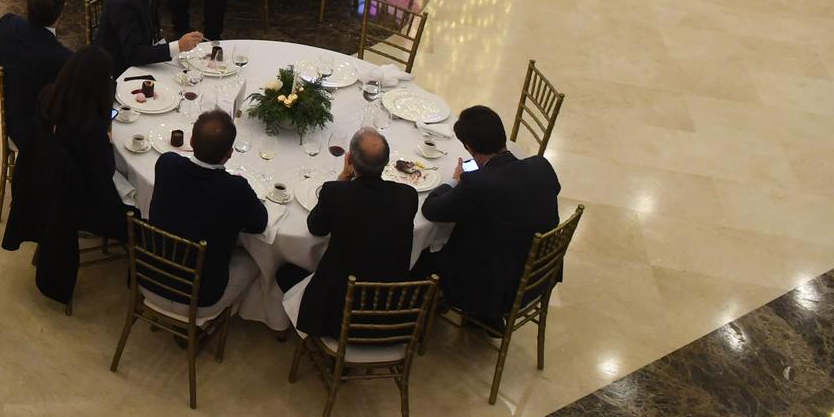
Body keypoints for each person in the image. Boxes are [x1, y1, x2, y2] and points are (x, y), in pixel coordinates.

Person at [3, 47, 130, 303]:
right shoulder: (91, 126)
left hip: (42, 186)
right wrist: (105, 139)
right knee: (138, 212)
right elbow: (103, 174)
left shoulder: (47, 96)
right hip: (76, 203)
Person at [414, 105, 562, 322]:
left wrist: (455, 180)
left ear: (469, 147)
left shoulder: (478, 184)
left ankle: (424, 312)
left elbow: (432, 209)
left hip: (495, 289)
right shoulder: (541, 166)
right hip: (539, 274)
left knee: (423, 253)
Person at [284, 127, 421, 337]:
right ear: (386, 163)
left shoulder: (336, 194)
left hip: (336, 315)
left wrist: (341, 181)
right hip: (389, 310)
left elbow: (316, 228)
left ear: (349, 159)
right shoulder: (408, 196)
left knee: (284, 271)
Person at [147, 107, 266, 311]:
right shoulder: (235, 189)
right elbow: (260, 224)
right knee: (257, 258)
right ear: (230, 153)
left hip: (150, 272)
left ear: (191, 141)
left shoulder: (166, 164)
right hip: (202, 291)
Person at [0, 0, 72, 149]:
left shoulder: (7, 24)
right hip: (39, 136)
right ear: (60, 14)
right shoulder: (62, 58)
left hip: (13, 118)